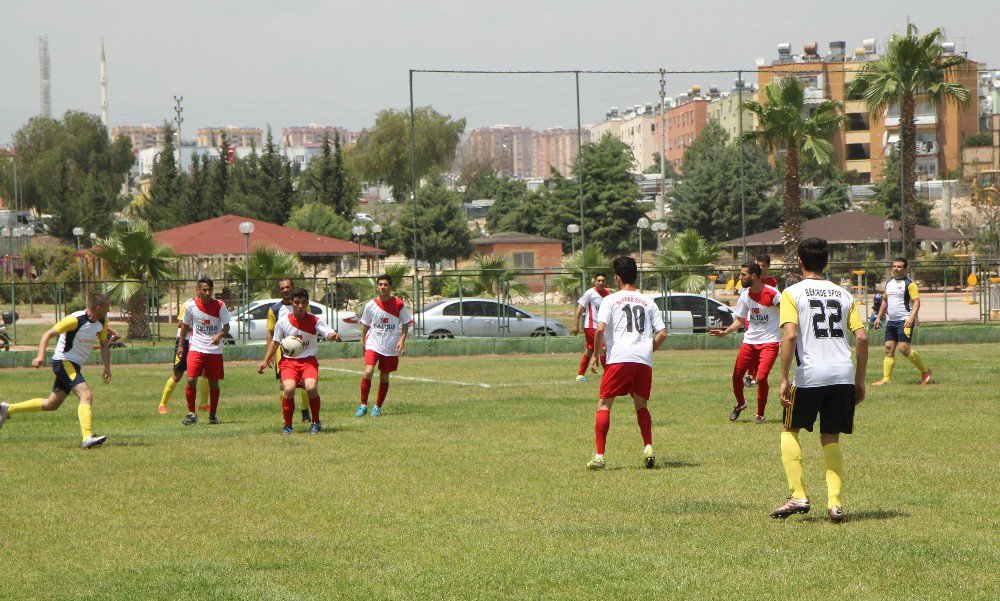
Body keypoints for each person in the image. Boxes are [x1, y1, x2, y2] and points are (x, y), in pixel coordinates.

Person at [772, 238, 867, 523]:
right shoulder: (844, 294)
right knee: (831, 437)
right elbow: (861, 337)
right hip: (842, 375)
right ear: (827, 262)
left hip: (811, 373)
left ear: (799, 261)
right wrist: (859, 380)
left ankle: (798, 495)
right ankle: (835, 504)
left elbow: (789, 335)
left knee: (790, 429)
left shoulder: (791, 293)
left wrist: (784, 377)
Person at [0, 293, 113, 449]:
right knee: (86, 395)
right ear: (99, 308)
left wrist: (107, 366)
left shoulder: (102, 321)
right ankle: (87, 437)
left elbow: (104, 343)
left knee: (52, 403)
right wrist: (40, 356)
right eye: (107, 307)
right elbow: (48, 334)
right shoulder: (75, 320)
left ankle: (7, 409)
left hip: (74, 365)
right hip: (63, 362)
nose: (109, 309)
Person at [586, 257, 667, 470]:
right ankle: (648, 446)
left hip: (619, 358)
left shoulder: (610, 300)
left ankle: (599, 456)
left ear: (618, 277)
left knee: (604, 404)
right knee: (641, 405)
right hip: (642, 359)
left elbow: (601, 329)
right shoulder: (648, 301)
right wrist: (647, 351)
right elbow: (663, 333)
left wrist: (595, 354)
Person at [258, 288, 340, 434]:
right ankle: (288, 426)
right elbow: (275, 342)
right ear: (292, 303)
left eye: (303, 303)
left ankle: (316, 422)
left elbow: (328, 332)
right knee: (288, 389)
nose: (300, 306)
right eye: (297, 303)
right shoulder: (283, 322)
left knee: (311, 387)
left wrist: (333, 335)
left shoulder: (315, 320)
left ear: (307, 304)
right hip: (289, 362)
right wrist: (265, 360)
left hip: (308, 361)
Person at [710, 263, 780, 424]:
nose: (740, 278)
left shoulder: (773, 294)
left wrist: (788, 334)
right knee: (736, 376)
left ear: (754, 276)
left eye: (743, 275)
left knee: (761, 378)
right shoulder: (745, 295)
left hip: (769, 342)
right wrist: (725, 332)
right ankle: (741, 403)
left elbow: (788, 314)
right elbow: (739, 320)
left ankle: (760, 413)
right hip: (749, 342)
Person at [355, 274, 412, 417]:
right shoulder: (371, 305)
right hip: (373, 343)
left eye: (385, 285)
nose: (383, 287)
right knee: (368, 371)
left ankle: (377, 407)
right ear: (377, 286)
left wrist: (401, 340)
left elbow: (406, 323)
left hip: (390, 346)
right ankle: (363, 405)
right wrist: (363, 343)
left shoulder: (398, 304)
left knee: (384, 376)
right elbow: (365, 326)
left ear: (390, 287)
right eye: (380, 284)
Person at [178, 278, 230, 426]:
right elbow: (184, 325)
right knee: (190, 379)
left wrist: (219, 336)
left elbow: (226, 327)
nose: (207, 293)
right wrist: (181, 346)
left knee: (213, 383)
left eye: (209, 290)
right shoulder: (191, 306)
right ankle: (191, 414)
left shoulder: (220, 306)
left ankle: (212, 414)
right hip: (196, 348)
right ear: (198, 290)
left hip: (214, 350)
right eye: (204, 290)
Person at [872, 257, 931, 386]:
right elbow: (885, 301)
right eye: (894, 266)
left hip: (904, 321)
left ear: (905, 269)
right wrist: (878, 317)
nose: (896, 269)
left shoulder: (910, 284)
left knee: (904, 349)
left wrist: (911, 318)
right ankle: (885, 379)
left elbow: (916, 302)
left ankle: (925, 372)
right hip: (891, 321)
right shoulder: (889, 283)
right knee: (888, 348)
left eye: (899, 267)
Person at [264, 278, 313, 422]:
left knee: (305, 383)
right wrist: (270, 354)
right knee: (284, 386)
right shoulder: (274, 309)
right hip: (283, 353)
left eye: (288, 287)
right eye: (283, 288)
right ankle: (287, 413)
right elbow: (271, 333)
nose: (286, 290)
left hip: (303, 350)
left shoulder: (303, 306)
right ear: (280, 290)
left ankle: (305, 411)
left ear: (292, 288)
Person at [158, 303, 209, 414]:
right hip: (184, 342)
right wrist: (198, 329)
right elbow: (180, 324)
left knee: (206, 372)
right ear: (197, 290)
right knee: (178, 375)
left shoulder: (208, 304)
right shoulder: (188, 304)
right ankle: (162, 404)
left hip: (199, 342)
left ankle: (204, 405)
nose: (207, 292)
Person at [571, 273, 610, 382]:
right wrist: (576, 325)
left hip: (602, 327)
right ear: (595, 282)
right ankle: (608, 375)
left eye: (603, 280)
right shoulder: (590, 293)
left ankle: (580, 375)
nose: (601, 282)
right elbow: (580, 308)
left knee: (590, 349)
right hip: (591, 326)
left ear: (606, 282)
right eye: (598, 280)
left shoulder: (608, 294)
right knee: (602, 348)